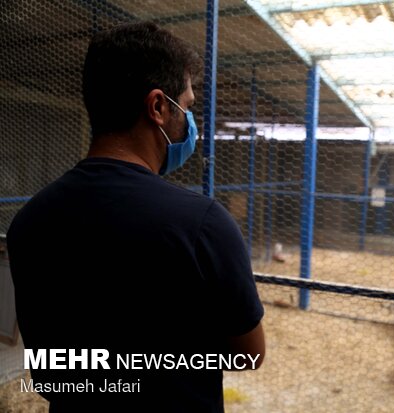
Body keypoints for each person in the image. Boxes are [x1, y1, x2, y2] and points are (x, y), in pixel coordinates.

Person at [7, 22, 264, 412]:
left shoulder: (29, 221)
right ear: (158, 107)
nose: (191, 122)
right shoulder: (202, 223)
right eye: (188, 106)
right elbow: (249, 354)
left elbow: (45, 368)